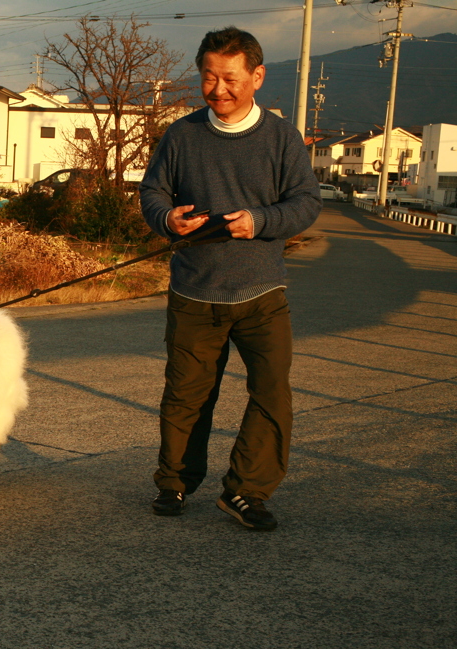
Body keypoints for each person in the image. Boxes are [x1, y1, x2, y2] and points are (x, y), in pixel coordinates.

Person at [138, 26, 321, 530]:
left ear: (257, 77)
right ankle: (174, 483)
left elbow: (306, 202)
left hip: (263, 292)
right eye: (209, 77)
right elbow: (153, 193)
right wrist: (168, 219)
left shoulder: (282, 138)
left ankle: (246, 491)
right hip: (194, 291)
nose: (218, 89)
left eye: (231, 78)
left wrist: (259, 221)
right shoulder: (182, 135)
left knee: (272, 392)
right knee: (186, 394)